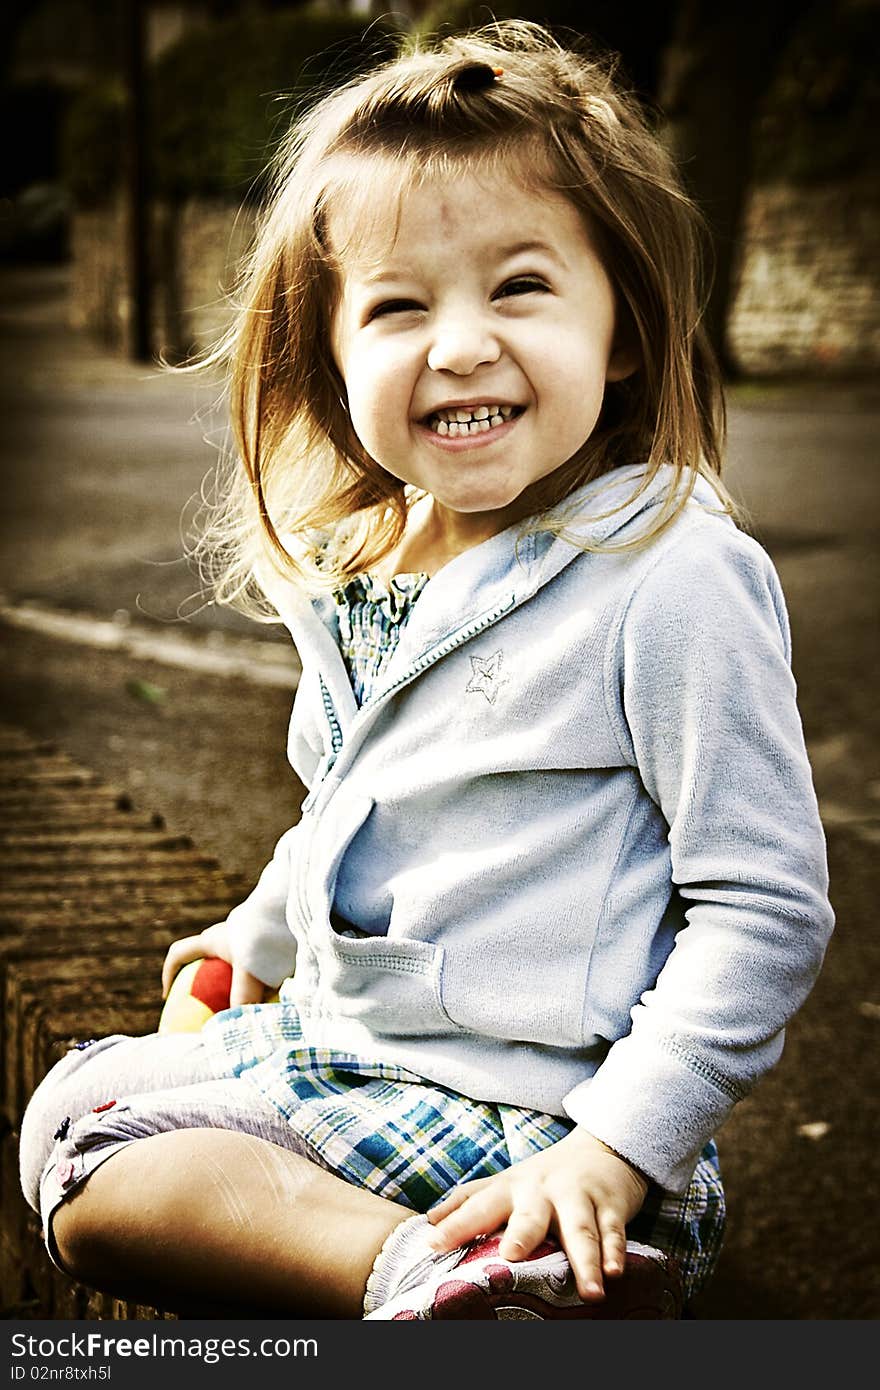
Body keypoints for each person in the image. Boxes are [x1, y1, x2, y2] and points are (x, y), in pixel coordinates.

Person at [19, 22, 834, 1320]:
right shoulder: (362, 565)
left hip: (557, 1129)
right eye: (400, 306)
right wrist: (255, 941)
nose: (459, 344)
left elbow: (766, 907)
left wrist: (617, 1148)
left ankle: (492, 1271)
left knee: (93, 1158)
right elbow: (345, 811)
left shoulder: (668, 566)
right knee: (71, 1126)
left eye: (519, 288)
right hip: (362, 1067)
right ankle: (445, 1283)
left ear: (619, 332)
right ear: (333, 362)